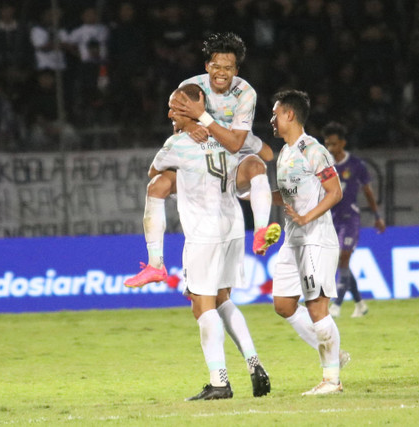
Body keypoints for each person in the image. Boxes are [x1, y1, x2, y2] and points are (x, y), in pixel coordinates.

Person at [144, 83, 270, 400]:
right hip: (232, 225)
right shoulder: (228, 134)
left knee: (201, 305)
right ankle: (255, 363)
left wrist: (188, 144)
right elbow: (265, 154)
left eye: (176, 107)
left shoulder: (177, 142)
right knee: (222, 298)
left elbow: (153, 173)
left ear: (194, 105)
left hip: (203, 230)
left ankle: (219, 381)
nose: (170, 113)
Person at [124, 32, 280, 288]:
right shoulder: (191, 86)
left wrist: (202, 118)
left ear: (236, 69)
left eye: (228, 68)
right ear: (207, 65)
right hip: (205, 155)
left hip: (234, 152)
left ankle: (261, 230)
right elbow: (174, 114)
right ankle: (155, 265)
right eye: (216, 66)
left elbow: (235, 144)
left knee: (260, 161)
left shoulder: (245, 93)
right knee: (157, 185)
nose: (221, 72)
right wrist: (187, 128)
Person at [269, 89, 344, 395]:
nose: (272, 120)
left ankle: (331, 380)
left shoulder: (312, 150)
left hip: (315, 238)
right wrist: (252, 194)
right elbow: (286, 197)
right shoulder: (285, 154)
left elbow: (334, 191)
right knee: (284, 305)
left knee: (317, 308)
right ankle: (334, 355)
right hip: (293, 240)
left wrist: (306, 217)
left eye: (275, 113)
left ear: (290, 114)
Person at [323, 121, 386, 318]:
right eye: (327, 144)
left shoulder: (356, 165)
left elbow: (367, 191)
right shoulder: (324, 165)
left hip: (350, 218)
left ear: (342, 143)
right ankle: (360, 304)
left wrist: (377, 216)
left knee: (343, 257)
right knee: (341, 263)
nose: (330, 148)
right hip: (331, 219)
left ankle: (336, 305)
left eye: (333, 144)